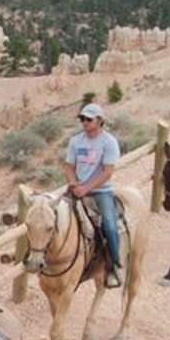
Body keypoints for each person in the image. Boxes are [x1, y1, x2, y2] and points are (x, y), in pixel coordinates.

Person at [63, 102, 124, 288]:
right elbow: (68, 167)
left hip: (100, 191)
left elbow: (107, 172)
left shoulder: (108, 142)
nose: (85, 122)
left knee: (109, 226)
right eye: (82, 119)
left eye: (89, 119)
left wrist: (86, 188)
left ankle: (113, 265)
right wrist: (73, 182)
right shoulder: (75, 141)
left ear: (100, 121)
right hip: (78, 188)